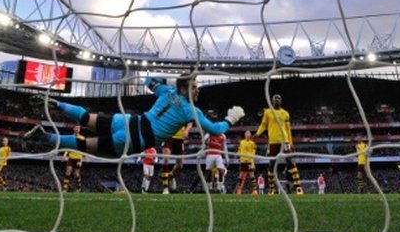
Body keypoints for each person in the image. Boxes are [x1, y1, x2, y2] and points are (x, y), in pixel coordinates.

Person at [25, 75, 244, 184]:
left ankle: (55, 103)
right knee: (85, 145)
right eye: (194, 87)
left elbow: (149, 81)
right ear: (184, 89)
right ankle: (45, 136)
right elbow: (216, 129)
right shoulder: (190, 111)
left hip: (127, 121)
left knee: (86, 118)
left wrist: (166, 81)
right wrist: (231, 118)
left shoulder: (167, 91)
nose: (198, 91)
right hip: (132, 140)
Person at [255, 94, 302, 195]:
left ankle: (298, 187)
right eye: (275, 99)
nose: (277, 100)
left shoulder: (285, 113)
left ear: (281, 101)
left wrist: (291, 142)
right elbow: (263, 125)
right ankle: (271, 188)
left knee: (290, 162)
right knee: (272, 164)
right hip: (273, 141)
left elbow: (288, 129)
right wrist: (258, 133)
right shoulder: (267, 112)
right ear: (272, 101)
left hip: (284, 141)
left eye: (279, 99)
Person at [62, 125, 86, 192]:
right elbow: (67, 148)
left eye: (79, 128)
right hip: (71, 157)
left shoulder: (82, 138)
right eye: (76, 128)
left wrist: (82, 159)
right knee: (68, 171)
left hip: (78, 158)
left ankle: (78, 187)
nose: (77, 129)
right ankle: (64, 189)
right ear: (73, 129)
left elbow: (83, 149)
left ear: (80, 130)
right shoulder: (70, 137)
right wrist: (64, 155)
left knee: (76, 174)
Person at [235, 130, 257, 195]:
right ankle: (239, 190)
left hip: (249, 161)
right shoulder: (241, 142)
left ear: (250, 136)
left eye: (248, 134)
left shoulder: (252, 143)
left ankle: (255, 190)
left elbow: (254, 151)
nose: (247, 135)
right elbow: (239, 150)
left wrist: (252, 157)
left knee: (252, 175)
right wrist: (237, 154)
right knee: (241, 175)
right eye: (246, 134)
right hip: (243, 161)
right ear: (245, 135)